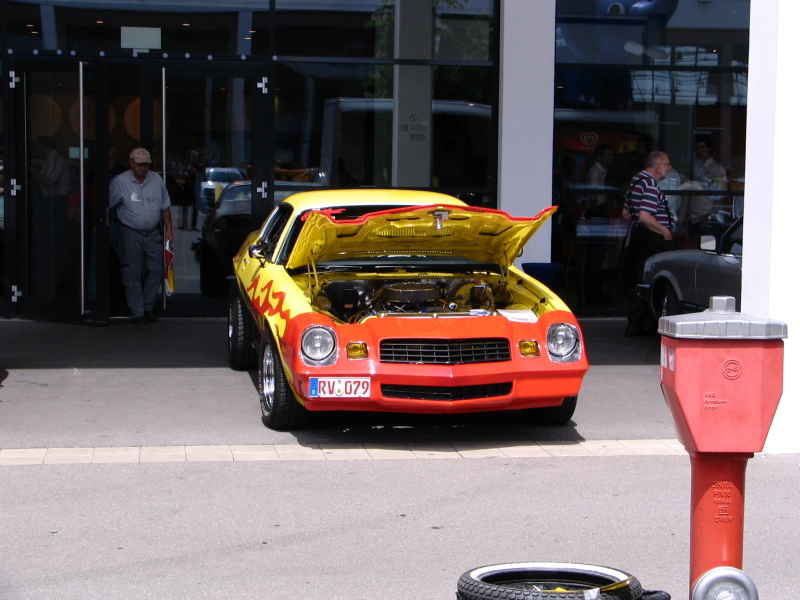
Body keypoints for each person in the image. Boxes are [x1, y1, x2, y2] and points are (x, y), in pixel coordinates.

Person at [109, 148, 173, 325]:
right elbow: (107, 205)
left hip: (152, 233)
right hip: (130, 232)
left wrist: (168, 226)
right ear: (131, 163)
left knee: (157, 268)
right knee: (132, 272)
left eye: (146, 164)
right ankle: (137, 312)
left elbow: (165, 206)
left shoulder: (157, 179)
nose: (143, 168)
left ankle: (147, 307)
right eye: (139, 164)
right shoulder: (120, 181)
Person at [621, 151, 675, 336]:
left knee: (641, 276)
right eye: (667, 164)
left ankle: (637, 321)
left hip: (640, 236)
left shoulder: (636, 181)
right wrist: (664, 230)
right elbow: (645, 216)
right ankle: (647, 322)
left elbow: (626, 214)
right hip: (653, 239)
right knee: (657, 277)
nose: (670, 168)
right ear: (658, 166)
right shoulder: (651, 184)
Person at [688, 135, 728, 235]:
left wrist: (709, 217)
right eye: (697, 148)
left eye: (702, 147)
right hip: (693, 216)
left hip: (708, 217)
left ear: (709, 148)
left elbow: (720, 196)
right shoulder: (696, 166)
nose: (699, 151)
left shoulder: (717, 169)